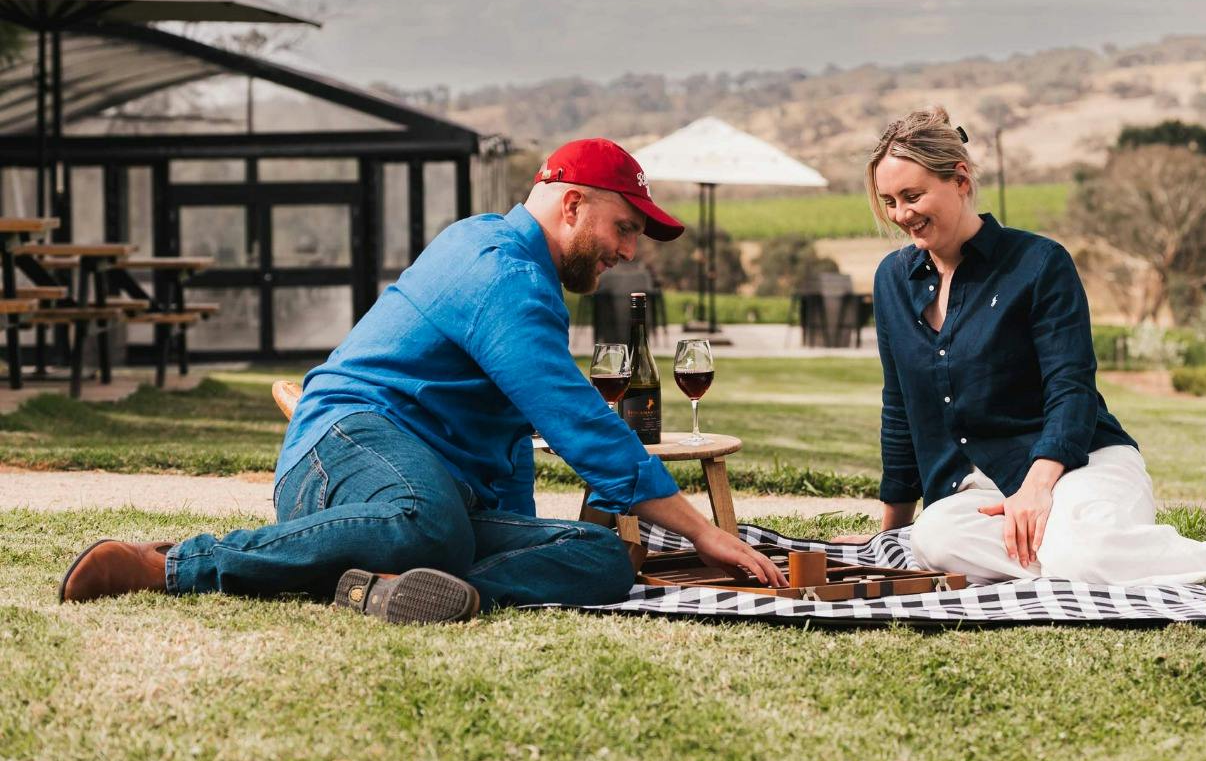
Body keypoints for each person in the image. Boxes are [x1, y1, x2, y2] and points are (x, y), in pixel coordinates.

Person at [60, 138, 785, 622]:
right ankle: (173, 565)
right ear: (572, 205)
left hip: (438, 495)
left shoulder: (523, 275)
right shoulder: (497, 267)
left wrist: (528, 532)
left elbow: (504, 456)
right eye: (625, 228)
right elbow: (573, 418)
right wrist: (703, 532)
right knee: (429, 522)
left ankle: (399, 591)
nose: (628, 251)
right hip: (348, 446)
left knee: (600, 557)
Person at [858, 108, 1206, 593]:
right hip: (981, 498)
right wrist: (891, 540)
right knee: (933, 539)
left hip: (1078, 467)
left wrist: (1038, 488)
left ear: (960, 179)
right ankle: (1105, 560)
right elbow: (900, 408)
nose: (902, 214)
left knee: (1079, 548)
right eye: (890, 202)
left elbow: (1071, 389)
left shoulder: (1039, 264)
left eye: (913, 196)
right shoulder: (892, 281)